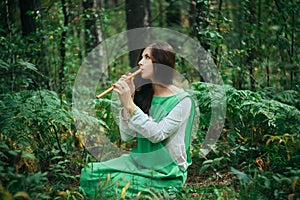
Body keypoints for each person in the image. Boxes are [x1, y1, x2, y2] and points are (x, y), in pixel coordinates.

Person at [80, 41, 195, 199]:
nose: (140, 62)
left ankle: (164, 191)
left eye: (147, 57)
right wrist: (131, 99)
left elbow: (157, 134)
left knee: (112, 184)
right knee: (89, 172)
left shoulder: (183, 101)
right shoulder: (145, 93)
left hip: (166, 171)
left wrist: (129, 104)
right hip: (140, 162)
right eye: (142, 57)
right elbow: (127, 136)